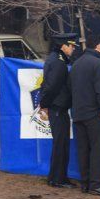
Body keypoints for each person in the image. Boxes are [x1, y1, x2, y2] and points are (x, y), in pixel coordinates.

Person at [70, 39, 100, 196]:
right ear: (98, 46)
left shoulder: (76, 64)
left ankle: (86, 183)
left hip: (78, 113)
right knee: (98, 149)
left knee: (83, 150)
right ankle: (97, 185)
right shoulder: (99, 64)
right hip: (94, 114)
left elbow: (71, 89)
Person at [39, 33, 77, 188]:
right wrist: (44, 104)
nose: (73, 49)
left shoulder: (55, 59)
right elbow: (51, 87)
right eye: (72, 46)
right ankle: (57, 179)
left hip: (57, 108)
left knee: (61, 144)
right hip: (58, 109)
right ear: (64, 46)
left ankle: (58, 177)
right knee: (60, 145)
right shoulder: (59, 63)